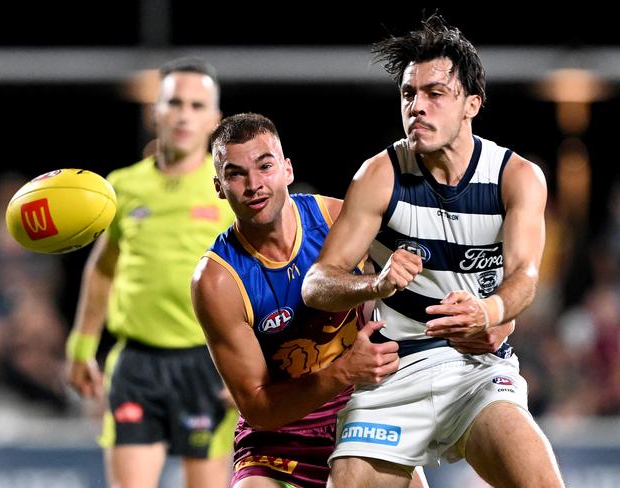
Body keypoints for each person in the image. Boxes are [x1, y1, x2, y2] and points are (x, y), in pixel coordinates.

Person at [301, 15, 565, 488]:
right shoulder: (380, 175)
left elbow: (525, 276)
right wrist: (375, 284)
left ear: (471, 104)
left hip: (476, 371)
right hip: (392, 376)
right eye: (408, 94)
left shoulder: (516, 176)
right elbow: (317, 283)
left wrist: (489, 312)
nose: (417, 107)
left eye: (434, 94)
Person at [191, 113, 511, 488]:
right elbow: (259, 408)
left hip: (366, 417)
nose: (254, 185)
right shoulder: (217, 280)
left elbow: (443, 271)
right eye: (236, 174)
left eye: (265, 166)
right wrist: (344, 371)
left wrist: (499, 316)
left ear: (287, 169)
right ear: (217, 186)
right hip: (277, 445)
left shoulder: (338, 219)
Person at [65, 57, 237, 488]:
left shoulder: (229, 192)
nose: (184, 115)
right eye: (174, 103)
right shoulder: (119, 187)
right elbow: (103, 268)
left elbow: (260, 281)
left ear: (214, 120)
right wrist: (82, 345)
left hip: (208, 362)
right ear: (154, 111)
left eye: (197, 106)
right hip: (137, 363)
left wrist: (252, 369)